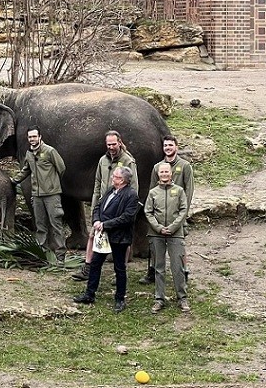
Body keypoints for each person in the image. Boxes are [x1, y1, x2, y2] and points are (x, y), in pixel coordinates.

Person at [73, 166, 140, 312]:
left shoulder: (131, 195)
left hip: (119, 238)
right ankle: (89, 294)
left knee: (119, 268)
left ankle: (120, 299)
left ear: (122, 180)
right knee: (96, 263)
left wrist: (105, 224)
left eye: (115, 176)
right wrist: (96, 220)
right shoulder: (110, 190)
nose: (112, 178)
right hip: (103, 236)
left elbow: (127, 218)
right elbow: (98, 206)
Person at [73, 130, 137, 281]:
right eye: (108, 144)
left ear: (120, 142)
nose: (111, 147)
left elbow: (134, 187)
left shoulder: (128, 161)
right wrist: (95, 203)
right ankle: (87, 268)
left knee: (121, 241)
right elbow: (97, 182)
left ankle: (120, 272)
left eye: (114, 144)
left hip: (119, 207)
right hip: (104, 204)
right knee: (92, 235)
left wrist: (129, 208)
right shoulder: (103, 160)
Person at [141, 135, 195, 284]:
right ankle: (152, 272)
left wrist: (183, 214)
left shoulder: (184, 166)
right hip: (159, 213)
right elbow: (152, 189)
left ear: (176, 147)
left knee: (180, 245)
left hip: (177, 213)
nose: (168, 148)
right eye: (165, 146)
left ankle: (183, 272)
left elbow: (189, 190)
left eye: (170, 145)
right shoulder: (157, 167)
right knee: (154, 244)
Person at [11, 127, 67, 262]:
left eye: (34, 136)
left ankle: (60, 258)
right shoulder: (29, 154)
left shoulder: (49, 151)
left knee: (56, 225)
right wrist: (13, 180)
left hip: (52, 195)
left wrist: (52, 183)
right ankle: (43, 256)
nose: (32, 139)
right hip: (37, 196)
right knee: (40, 226)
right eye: (30, 137)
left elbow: (62, 168)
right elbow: (26, 170)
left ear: (40, 137)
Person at [144, 161, 189, 313]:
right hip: (156, 234)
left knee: (178, 267)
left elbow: (183, 210)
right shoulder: (153, 193)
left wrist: (172, 227)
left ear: (171, 174)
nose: (164, 174)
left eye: (166, 172)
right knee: (158, 267)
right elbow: (148, 212)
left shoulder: (179, 191)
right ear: (158, 174)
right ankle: (159, 299)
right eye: (161, 172)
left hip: (175, 234)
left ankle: (182, 298)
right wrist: (158, 228)